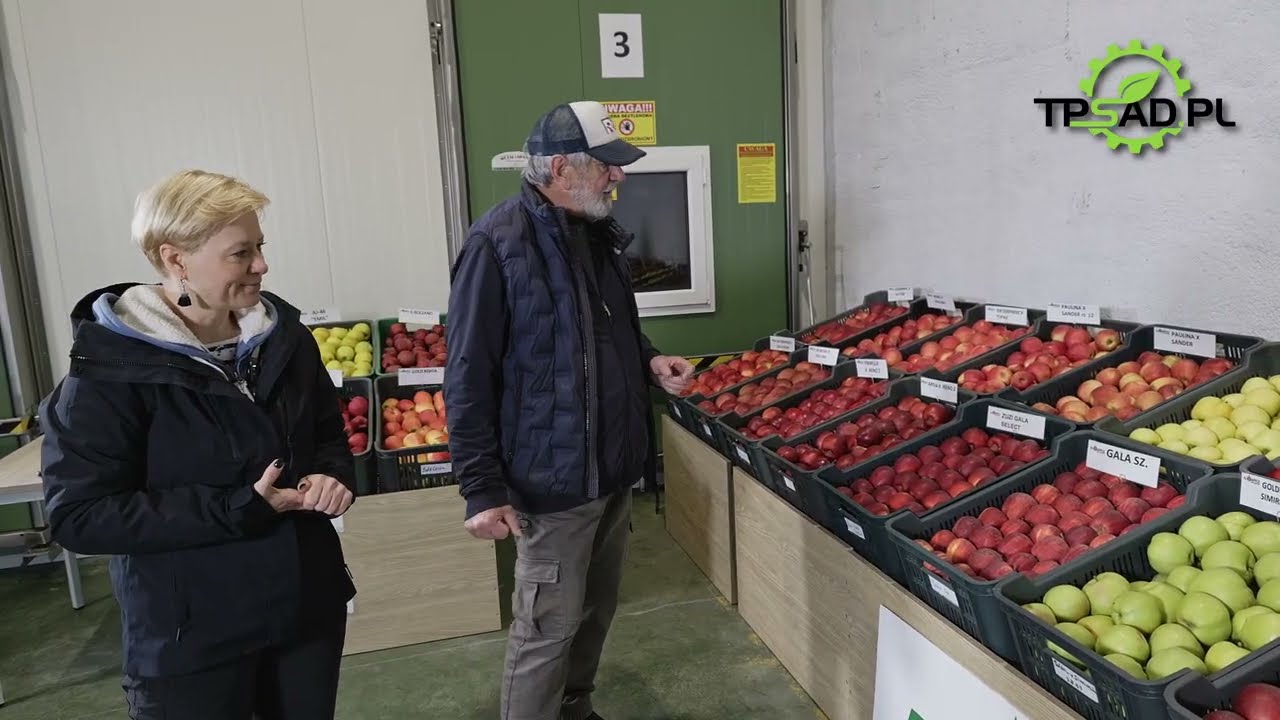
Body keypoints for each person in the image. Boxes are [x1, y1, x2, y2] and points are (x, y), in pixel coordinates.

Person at [39, 170, 357, 720]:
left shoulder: (285, 337)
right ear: (175, 259)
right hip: (189, 637)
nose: (262, 265)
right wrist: (240, 507)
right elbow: (81, 516)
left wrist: (331, 475)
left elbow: (329, 437)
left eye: (260, 247)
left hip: (304, 612)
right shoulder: (109, 370)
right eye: (241, 253)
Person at [446, 100, 695, 720]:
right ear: (560, 167)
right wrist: (481, 488)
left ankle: (574, 708)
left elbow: (606, 335)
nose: (620, 178)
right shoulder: (496, 245)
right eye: (608, 165)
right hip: (551, 482)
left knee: (594, 610)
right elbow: (468, 376)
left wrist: (649, 361)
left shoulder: (596, 237)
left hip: (611, 473)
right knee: (544, 630)